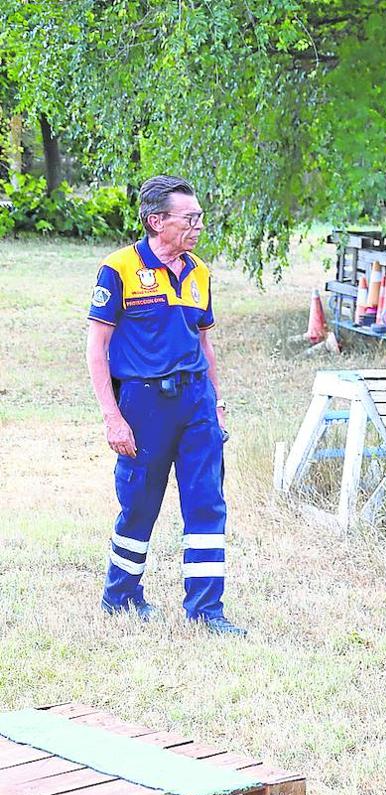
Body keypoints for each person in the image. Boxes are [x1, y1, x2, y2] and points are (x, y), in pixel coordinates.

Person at [85, 175, 245, 636]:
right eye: (188, 217)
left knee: (207, 504)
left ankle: (206, 611)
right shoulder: (118, 269)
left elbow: (205, 344)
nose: (197, 225)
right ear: (157, 221)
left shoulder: (199, 272)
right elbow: (97, 348)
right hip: (143, 404)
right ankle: (122, 595)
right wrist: (112, 416)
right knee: (139, 505)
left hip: (196, 401)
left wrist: (215, 405)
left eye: (199, 217)